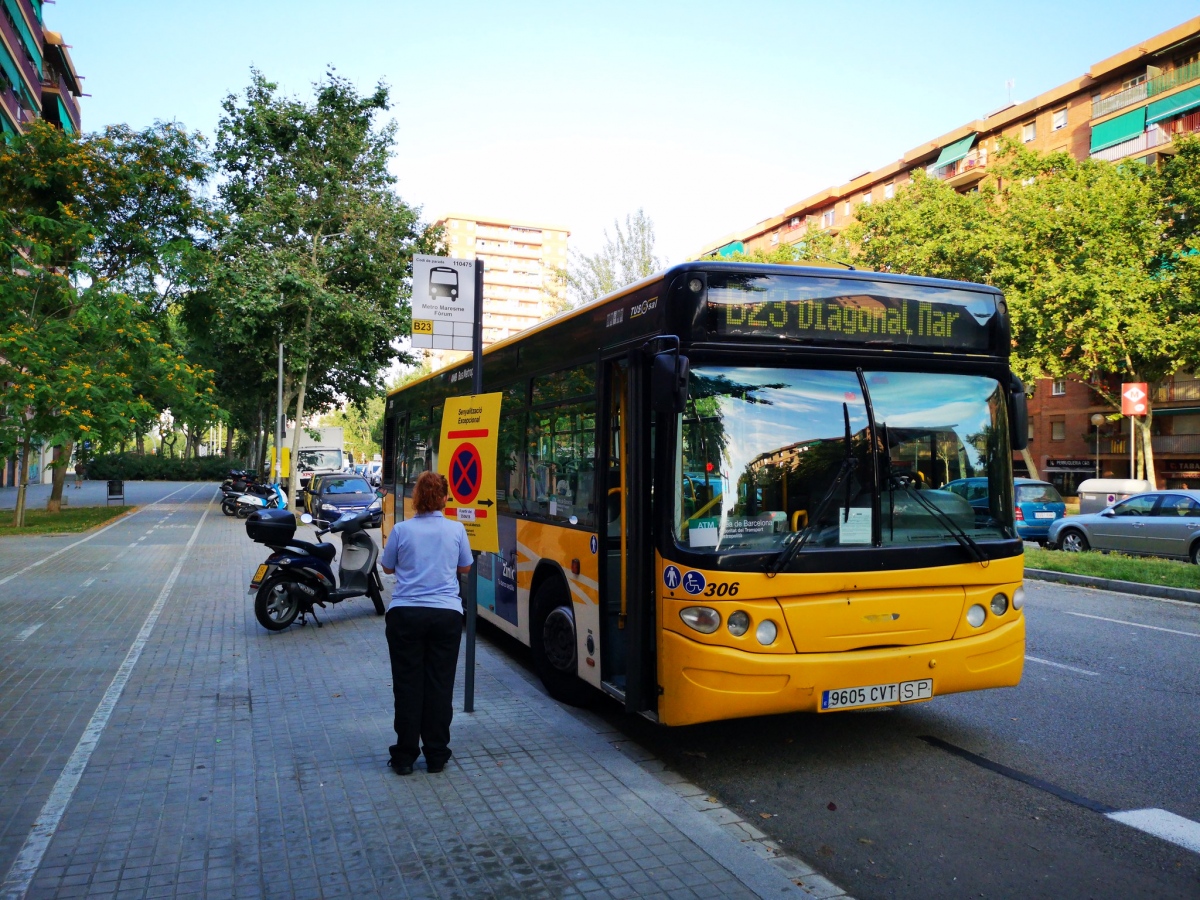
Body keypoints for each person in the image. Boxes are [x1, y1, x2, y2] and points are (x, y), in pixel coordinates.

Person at [380, 470, 472, 775]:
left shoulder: (401, 530)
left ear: (416, 498)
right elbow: (465, 567)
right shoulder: (457, 530)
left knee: (407, 686)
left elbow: (388, 567)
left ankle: (405, 756)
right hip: (446, 616)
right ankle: (436, 754)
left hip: (405, 615)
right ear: (445, 499)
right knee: (439, 686)